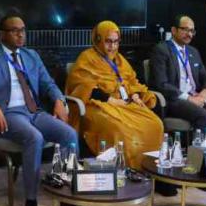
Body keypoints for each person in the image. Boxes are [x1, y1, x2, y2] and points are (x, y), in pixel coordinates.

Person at [0, 15, 78, 206]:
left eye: (23, 30)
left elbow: (48, 84)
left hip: (34, 111)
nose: (20, 34)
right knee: (34, 137)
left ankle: (66, 196)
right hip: (8, 113)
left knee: (69, 134)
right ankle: (31, 201)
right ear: (2, 34)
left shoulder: (31, 56)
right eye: (14, 30)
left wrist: (59, 100)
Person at [65, 20, 163, 168]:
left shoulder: (120, 59)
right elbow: (84, 86)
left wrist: (135, 95)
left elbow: (130, 80)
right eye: (108, 42)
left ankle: (150, 169)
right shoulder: (87, 58)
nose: (113, 47)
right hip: (97, 105)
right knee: (121, 130)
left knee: (156, 124)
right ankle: (126, 170)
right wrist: (110, 100)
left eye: (116, 42)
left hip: (124, 103)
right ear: (98, 40)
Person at [149, 15, 206, 153]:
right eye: (185, 30)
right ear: (174, 30)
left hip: (197, 96)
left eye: (192, 31)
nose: (189, 34)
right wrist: (189, 98)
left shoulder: (192, 51)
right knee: (205, 116)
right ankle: (198, 161)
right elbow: (161, 83)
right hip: (175, 99)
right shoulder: (161, 50)